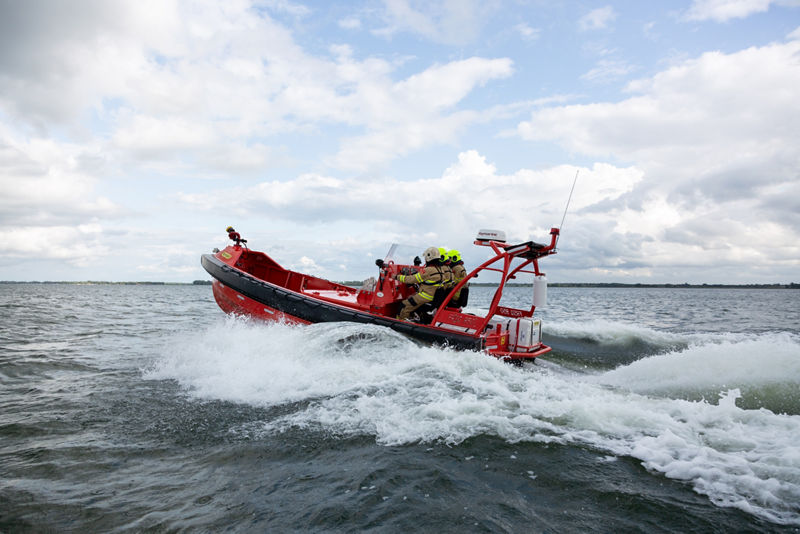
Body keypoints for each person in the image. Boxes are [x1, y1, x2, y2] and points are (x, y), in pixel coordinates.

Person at [393, 246, 446, 321]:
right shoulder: (441, 270)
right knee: (411, 299)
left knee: (404, 305)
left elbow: (412, 279)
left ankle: (400, 322)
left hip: (425, 296)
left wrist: (396, 277)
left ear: (429, 257)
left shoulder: (428, 270)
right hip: (433, 297)